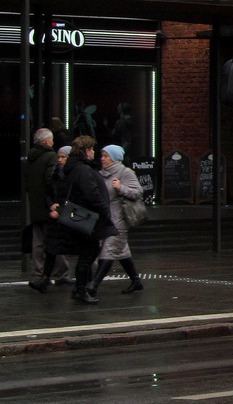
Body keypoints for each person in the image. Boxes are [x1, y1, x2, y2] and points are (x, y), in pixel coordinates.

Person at [44, 136, 117, 305]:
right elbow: (91, 194)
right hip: (87, 218)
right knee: (88, 254)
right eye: (91, 149)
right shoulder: (83, 170)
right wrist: (104, 210)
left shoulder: (74, 168)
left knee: (87, 253)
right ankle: (81, 290)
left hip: (80, 216)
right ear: (86, 151)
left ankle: (80, 289)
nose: (93, 153)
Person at [88, 145, 145, 296]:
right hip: (104, 219)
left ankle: (93, 286)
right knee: (122, 252)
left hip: (119, 220)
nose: (102, 159)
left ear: (114, 157)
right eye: (102, 155)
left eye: (106, 156)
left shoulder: (125, 172)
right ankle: (136, 281)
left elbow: (138, 193)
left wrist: (121, 188)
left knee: (108, 251)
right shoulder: (100, 174)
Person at [24, 128, 70, 292]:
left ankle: (37, 273)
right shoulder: (50, 156)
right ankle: (61, 274)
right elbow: (51, 180)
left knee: (37, 241)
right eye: (51, 140)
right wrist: (54, 201)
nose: (52, 143)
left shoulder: (30, 157)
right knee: (55, 240)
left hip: (35, 205)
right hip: (49, 205)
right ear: (46, 141)